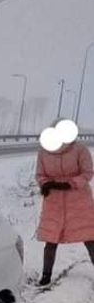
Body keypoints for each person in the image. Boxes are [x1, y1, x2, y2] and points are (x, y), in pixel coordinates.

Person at [35, 120, 94, 285]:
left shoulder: (80, 149)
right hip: (54, 203)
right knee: (51, 239)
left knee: (90, 238)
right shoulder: (44, 151)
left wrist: (70, 183)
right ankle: (45, 277)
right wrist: (45, 184)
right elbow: (40, 174)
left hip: (79, 201)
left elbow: (88, 173)